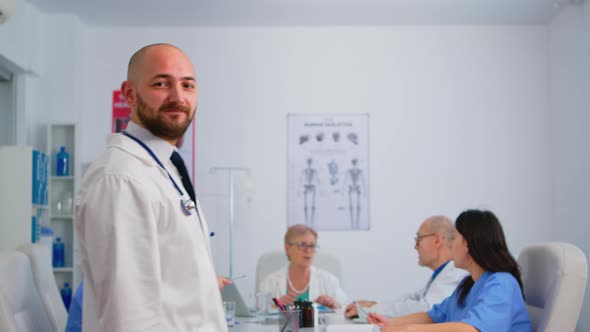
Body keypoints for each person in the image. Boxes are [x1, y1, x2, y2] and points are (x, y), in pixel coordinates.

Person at [74, 43, 228, 332]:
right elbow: (128, 318)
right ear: (129, 94)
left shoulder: (161, 168)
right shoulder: (121, 179)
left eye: (188, 85)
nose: (178, 96)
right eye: (161, 83)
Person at [368, 209, 532, 332]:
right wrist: (389, 323)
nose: (450, 244)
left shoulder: (502, 284)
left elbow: (470, 330)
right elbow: (433, 316)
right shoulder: (467, 285)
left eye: (454, 238)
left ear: (467, 244)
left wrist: (407, 330)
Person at [344, 216, 467, 319]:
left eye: (419, 239)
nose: (415, 246)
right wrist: (374, 305)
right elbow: (413, 299)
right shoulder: (442, 275)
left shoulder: (454, 275)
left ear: (437, 241)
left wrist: (372, 310)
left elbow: (426, 310)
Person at [260, 224, 347, 309]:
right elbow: (259, 312)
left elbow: (345, 309)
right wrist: (276, 305)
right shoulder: (270, 282)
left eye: (312, 246)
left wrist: (335, 305)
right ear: (287, 248)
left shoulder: (328, 280)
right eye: (302, 245)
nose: (308, 250)